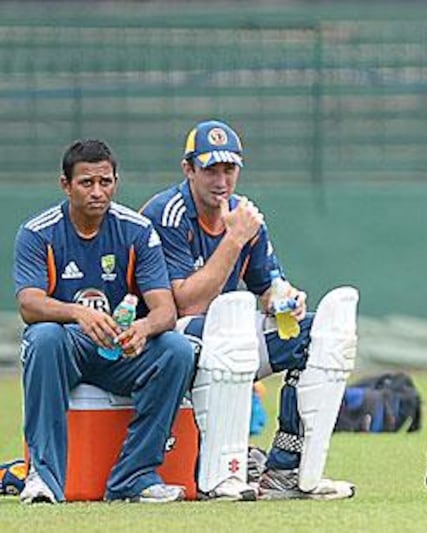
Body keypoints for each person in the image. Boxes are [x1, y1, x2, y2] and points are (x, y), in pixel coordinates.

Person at [140, 119, 358, 501]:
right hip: (165, 344)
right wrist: (234, 238)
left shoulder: (244, 215)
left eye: (229, 169)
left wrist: (285, 298)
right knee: (226, 334)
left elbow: (267, 284)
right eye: (210, 170)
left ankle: (286, 470)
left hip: (226, 335)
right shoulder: (167, 213)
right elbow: (183, 305)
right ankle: (221, 475)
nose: (221, 181)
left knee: (315, 335)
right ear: (188, 169)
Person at [14, 140, 195, 504]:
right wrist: (79, 313)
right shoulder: (38, 232)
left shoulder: (137, 230)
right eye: (86, 183)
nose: (98, 192)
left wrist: (142, 329)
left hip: (121, 349)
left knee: (176, 348)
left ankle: (135, 477)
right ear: (65, 185)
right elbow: (29, 304)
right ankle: (44, 478)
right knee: (43, 337)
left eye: (106, 182)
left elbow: (165, 310)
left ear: (116, 181)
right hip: (69, 346)